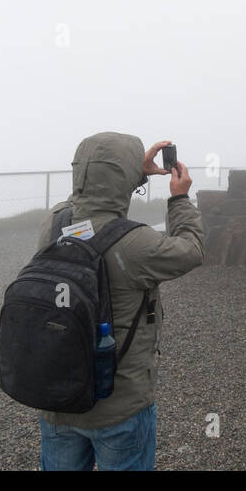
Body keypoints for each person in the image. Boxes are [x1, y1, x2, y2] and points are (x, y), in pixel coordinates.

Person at [35, 131, 204, 470]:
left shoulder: (54, 224)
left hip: (58, 400)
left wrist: (132, 172)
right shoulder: (136, 243)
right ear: (123, 177)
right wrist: (179, 200)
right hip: (120, 407)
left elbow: (84, 199)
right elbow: (191, 250)